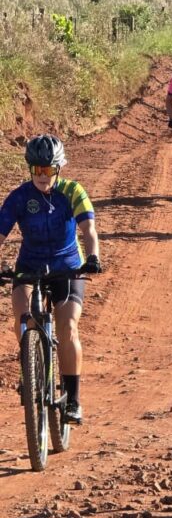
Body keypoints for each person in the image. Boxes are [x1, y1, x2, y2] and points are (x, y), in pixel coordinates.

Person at [0, 135, 101, 425]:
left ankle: (72, 399)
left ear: (59, 168)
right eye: (37, 170)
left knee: (67, 327)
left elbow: (89, 229)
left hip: (66, 266)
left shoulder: (72, 191)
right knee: (21, 319)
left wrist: (92, 257)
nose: (42, 177)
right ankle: (30, 371)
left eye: (48, 170)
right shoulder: (19, 197)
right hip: (29, 265)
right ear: (30, 168)